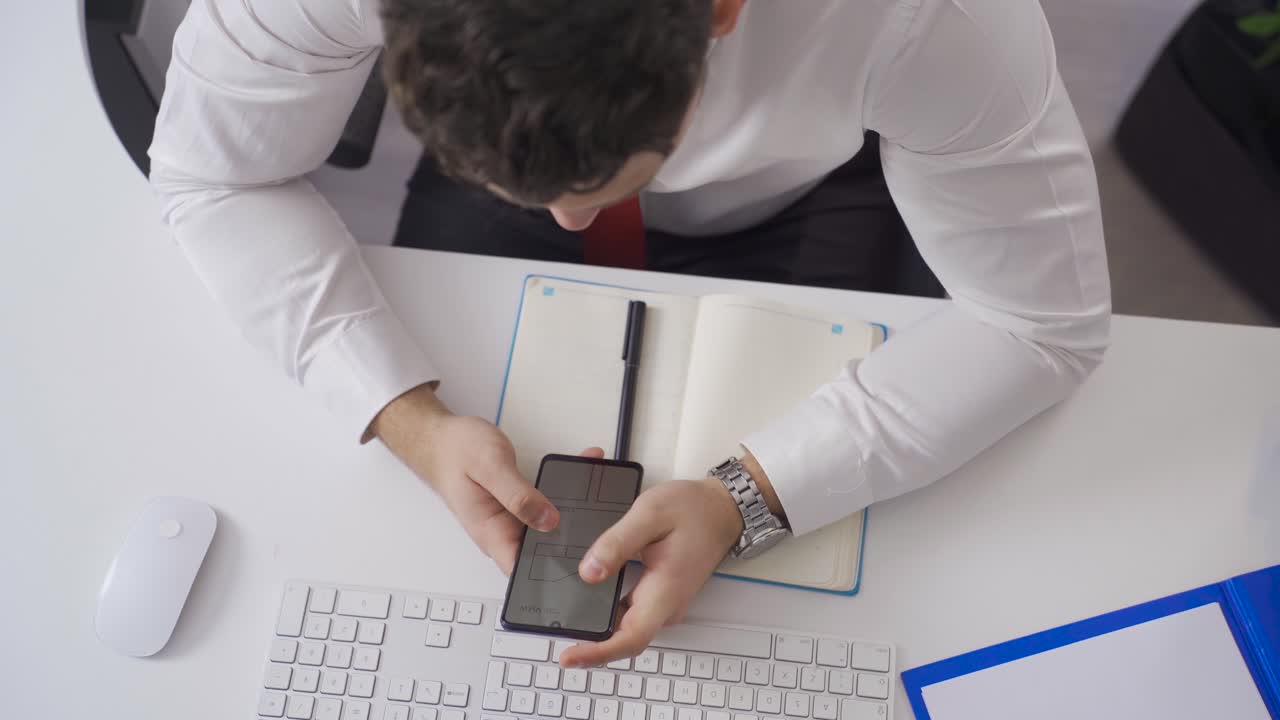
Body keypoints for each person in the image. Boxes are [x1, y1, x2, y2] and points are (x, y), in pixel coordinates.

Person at [148, 0, 1111, 667]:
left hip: (807, 193)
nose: (575, 231)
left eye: (592, 196)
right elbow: (209, 173)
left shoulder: (935, 22)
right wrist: (403, 414)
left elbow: (1043, 325)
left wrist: (749, 499)